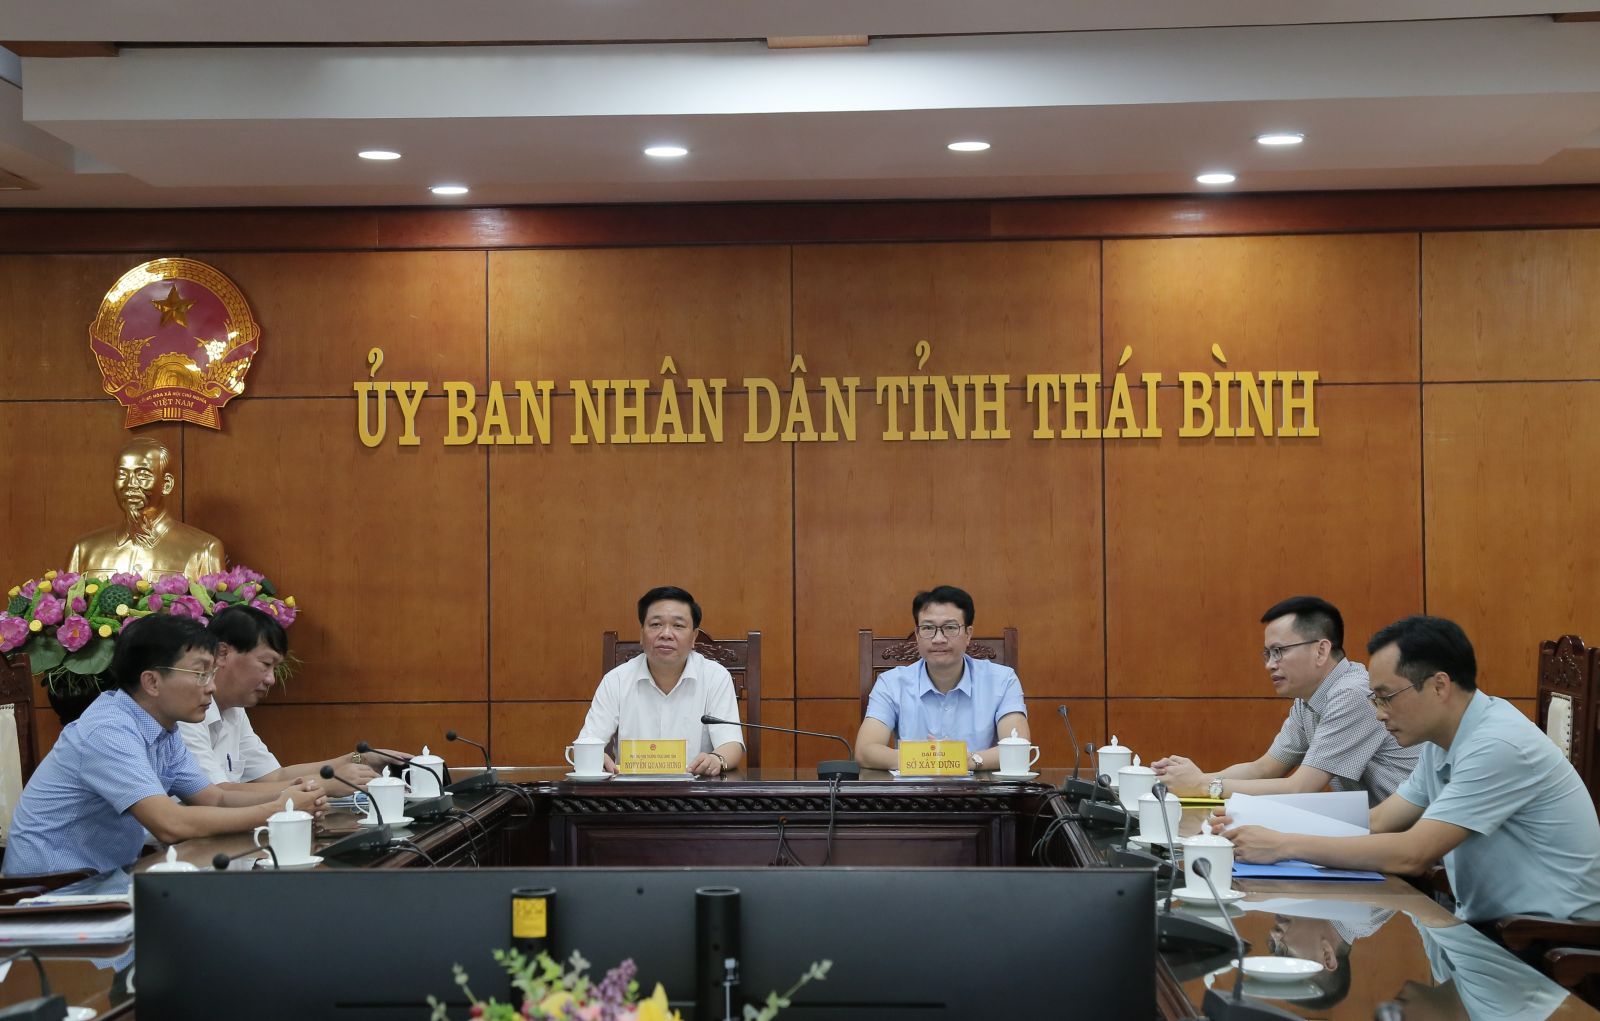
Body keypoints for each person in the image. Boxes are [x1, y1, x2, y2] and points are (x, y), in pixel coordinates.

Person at [1223, 615, 1600, 923]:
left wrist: (1284, 845)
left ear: (1439, 686)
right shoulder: (1443, 738)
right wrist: (1258, 825)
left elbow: (1412, 853)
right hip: (1487, 924)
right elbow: (1380, 821)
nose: (1378, 713)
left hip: (1541, 939)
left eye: (1386, 697)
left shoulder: (1498, 745)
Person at [3, 613, 325, 877]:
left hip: (108, 880)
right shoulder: (108, 731)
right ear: (152, 682)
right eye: (200, 674)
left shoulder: (164, 730)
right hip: (51, 893)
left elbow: (216, 797)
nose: (212, 687)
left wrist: (293, 795)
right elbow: (170, 824)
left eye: (212, 673)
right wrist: (277, 810)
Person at [1154, 595, 1418, 805]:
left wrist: (1202, 785)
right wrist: (1189, 779)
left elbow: (1300, 788)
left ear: (1321, 650)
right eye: (1267, 654)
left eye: (1279, 651)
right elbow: (1264, 769)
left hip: (1413, 838)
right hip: (1378, 831)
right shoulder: (1309, 700)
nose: (1270, 664)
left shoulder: (1352, 694)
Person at [178, 605, 406, 795]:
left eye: (275, 668)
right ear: (222, 653)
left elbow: (274, 776)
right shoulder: (185, 710)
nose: (271, 679)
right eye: (266, 664)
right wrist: (325, 784)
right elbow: (218, 794)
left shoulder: (234, 710)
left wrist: (358, 759)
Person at [575, 586, 745, 777]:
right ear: (642, 634)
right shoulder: (616, 680)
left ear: (694, 637)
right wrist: (595, 757)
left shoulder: (715, 677)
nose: (666, 634)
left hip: (696, 790)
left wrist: (716, 759)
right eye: (656, 624)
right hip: (631, 790)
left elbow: (731, 743)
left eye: (678, 626)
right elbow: (587, 741)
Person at [854, 585, 1028, 772]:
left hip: (982, 788)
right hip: (913, 789)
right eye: (928, 628)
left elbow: (1019, 749)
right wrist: (930, 758)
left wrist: (967, 761)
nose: (938, 639)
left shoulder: (1002, 681)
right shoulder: (891, 683)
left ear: (968, 634)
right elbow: (865, 751)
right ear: (917, 635)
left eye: (950, 628)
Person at [66, 436, 226, 581]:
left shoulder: (204, 550)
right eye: (122, 475)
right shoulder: (84, 550)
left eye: (142, 475)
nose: (130, 484)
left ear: (166, 484)